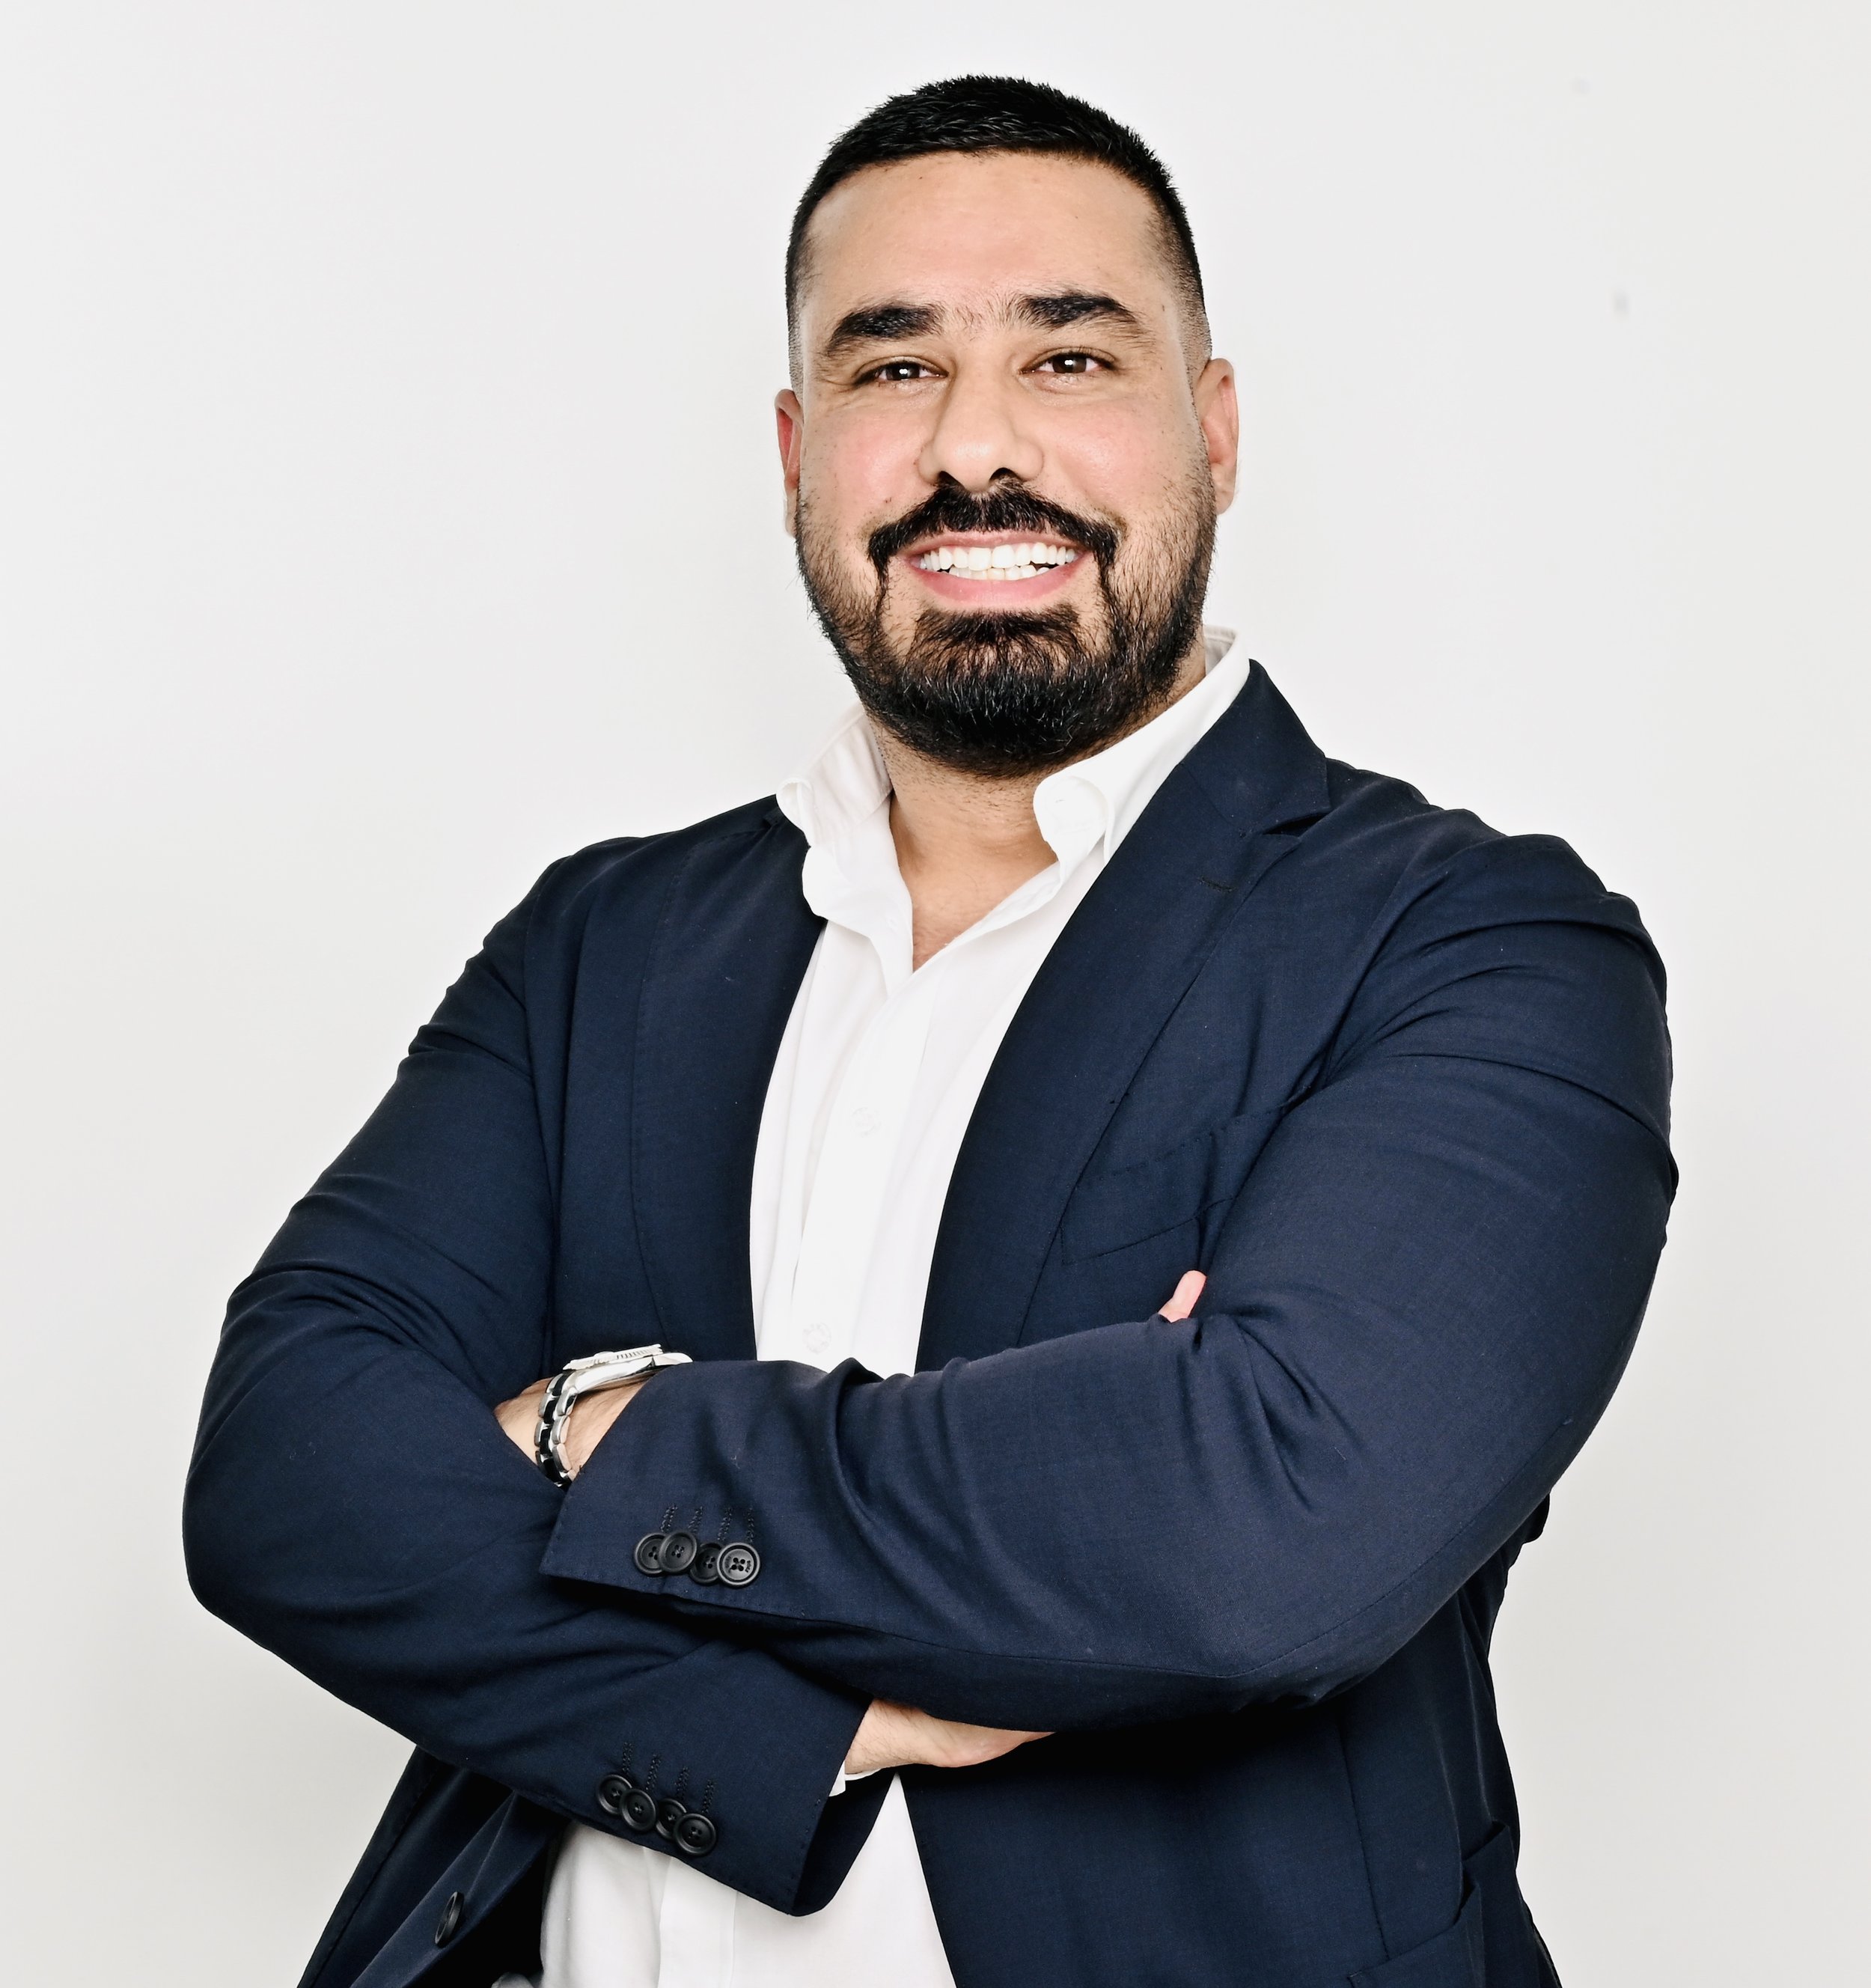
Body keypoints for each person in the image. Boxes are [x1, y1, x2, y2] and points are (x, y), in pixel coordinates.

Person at [183, 75, 1673, 1988]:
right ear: (799, 453)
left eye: (1067, 354)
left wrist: (588, 1426)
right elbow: (286, 1472)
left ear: (1209, 430)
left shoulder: (1470, 944)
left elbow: (1259, 1528)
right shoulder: (599, 944)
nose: (976, 447)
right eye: (891, 372)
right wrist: (811, 1723)